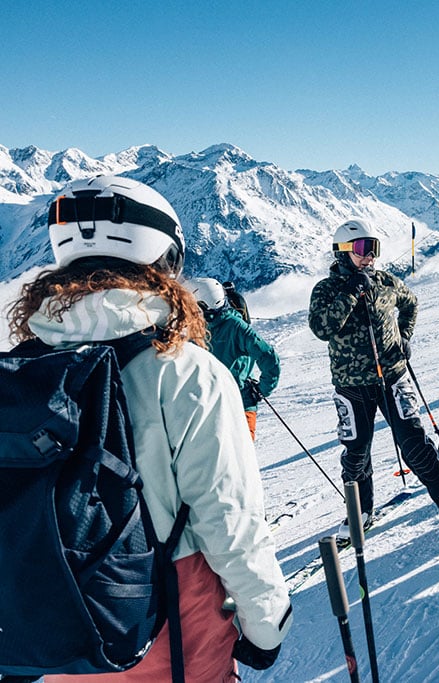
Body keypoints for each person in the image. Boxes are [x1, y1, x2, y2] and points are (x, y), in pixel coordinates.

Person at [11, 175, 291, 680]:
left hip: (57, 628)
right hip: (167, 624)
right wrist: (266, 625)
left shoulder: (22, 371)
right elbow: (230, 522)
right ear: (163, 262)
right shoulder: (188, 371)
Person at [308, 218, 439, 537]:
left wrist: (405, 336)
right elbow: (322, 329)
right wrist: (351, 294)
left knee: (415, 443)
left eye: (373, 248)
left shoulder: (384, 282)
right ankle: (360, 512)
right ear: (342, 252)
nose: (369, 256)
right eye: (361, 249)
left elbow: (411, 304)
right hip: (352, 385)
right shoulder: (327, 290)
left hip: (392, 377)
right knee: (356, 452)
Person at [189, 277, 282, 440]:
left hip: (240, 404)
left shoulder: (235, 326)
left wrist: (262, 390)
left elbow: (268, 357)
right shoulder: (198, 328)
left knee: (242, 460)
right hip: (210, 407)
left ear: (204, 305)